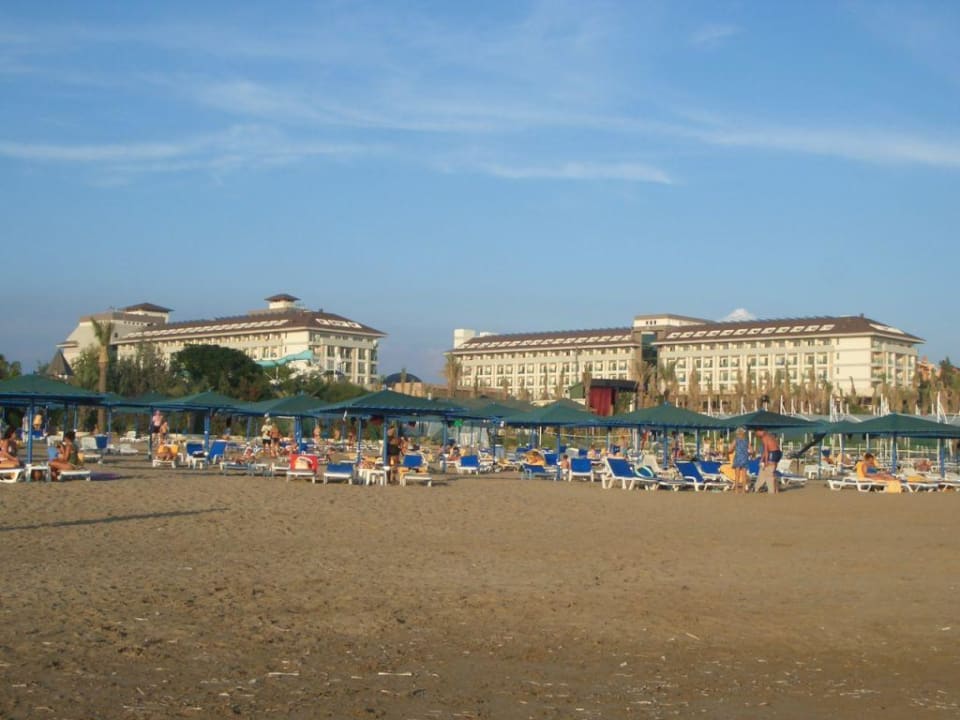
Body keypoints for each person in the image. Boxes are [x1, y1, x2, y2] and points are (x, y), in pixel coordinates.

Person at [755, 429, 781, 494]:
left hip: (773, 453)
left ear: (761, 431)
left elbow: (766, 450)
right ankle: (776, 490)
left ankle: (772, 491)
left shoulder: (764, 438)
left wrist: (766, 461)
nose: (756, 434)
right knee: (773, 473)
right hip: (778, 453)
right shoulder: (769, 436)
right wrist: (761, 459)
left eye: (757, 432)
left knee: (769, 473)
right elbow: (765, 450)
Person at [729, 427, 750, 494]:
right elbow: (752, 450)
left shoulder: (736, 440)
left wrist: (729, 452)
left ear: (738, 433)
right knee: (744, 475)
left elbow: (730, 449)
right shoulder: (746, 440)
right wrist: (747, 453)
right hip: (745, 457)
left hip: (738, 457)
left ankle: (736, 490)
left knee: (737, 475)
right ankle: (743, 490)